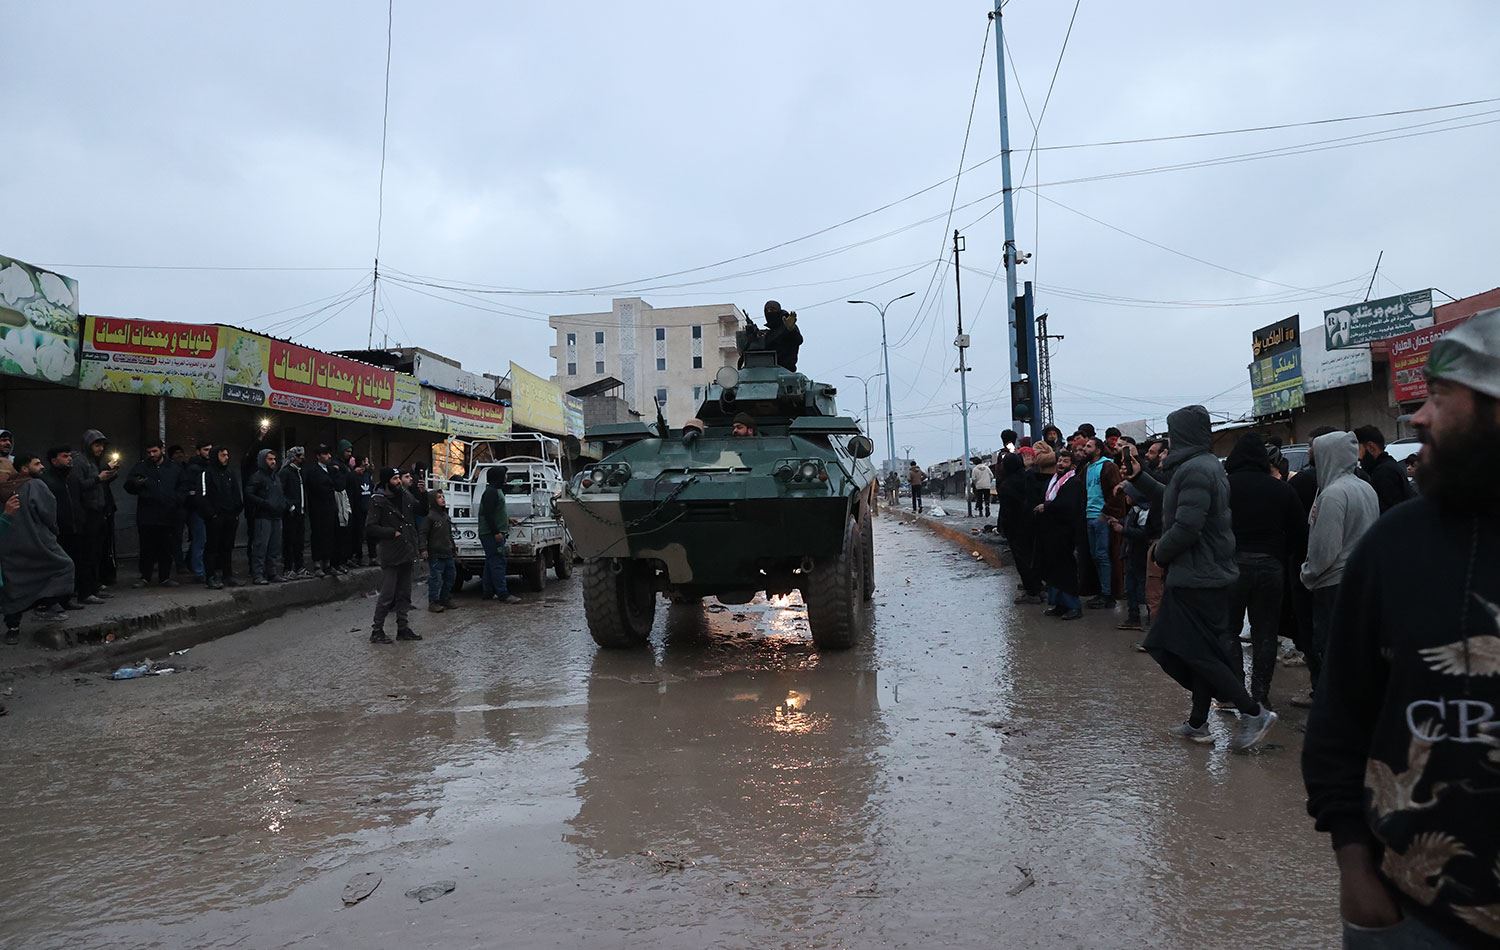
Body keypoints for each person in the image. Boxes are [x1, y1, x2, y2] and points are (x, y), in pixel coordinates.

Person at [1303, 309, 1500, 946]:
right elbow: (1339, 718)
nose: (1415, 419)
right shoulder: (1397, 545)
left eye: (1441, 397)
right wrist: (1355, 868)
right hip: (1414, 915)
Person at [1125, 406, 1276, 750]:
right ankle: (1198, 723)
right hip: (1206, 574)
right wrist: (1139, 477)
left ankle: (1254, 712)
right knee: (1199, 651)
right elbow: (1173, 502)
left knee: (1191, 650)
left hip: (1198, 577)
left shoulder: (1195, 469)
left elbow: (1186, 526)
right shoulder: (1200, 466)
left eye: (1173, 432)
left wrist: (1160, 553)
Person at [1222, 433, 1306, 708]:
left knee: (1229, 630)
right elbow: (1299, 532)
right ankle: (1260, 695)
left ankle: (1237, 694)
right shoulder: (1281, 489)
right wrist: (1281, 556)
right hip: (1271, 567)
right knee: (1266, 633)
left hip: (1233, 566)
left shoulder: (1225, 487)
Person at [1299, 431, 1380, 700]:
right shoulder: (1364, 487)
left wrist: (1307, 574)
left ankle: (1332, 705)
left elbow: (1325, 548)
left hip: (1332, 583)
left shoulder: (1333, 495)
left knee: (1330, 650)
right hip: (1360, 579)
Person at [1, 454, 79, 641]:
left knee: (14, 585)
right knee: (64, 566)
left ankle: (13, 628)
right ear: (23, 469)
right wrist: (53, 530)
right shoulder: (33, 485)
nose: (42, 467)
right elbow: (47, 512)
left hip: (9, 548)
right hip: (37, 543)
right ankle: (45, 605)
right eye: (37, 463)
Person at [363, 466, 422, 643]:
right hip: (391, 552)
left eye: (399, 478)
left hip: (407, 549)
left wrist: (422, 493)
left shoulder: (404, 495)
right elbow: (371, 527)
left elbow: (419, 509)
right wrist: (391, 532)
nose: (398, 482)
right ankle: (377, 630)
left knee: (405, 593)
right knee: (388, 594)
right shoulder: (378, 500)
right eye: (395, 479)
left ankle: (402, 628)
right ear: (387, 480)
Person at [123, 441, 183, 588]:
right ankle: (145, 576)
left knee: (166, 548)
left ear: (161, 450)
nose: (152, 455)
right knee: (146, 548)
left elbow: (183, 486)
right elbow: (128, 485)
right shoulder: (141, 467)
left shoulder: (174, 468)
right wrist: (136, 484)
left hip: (168, 514)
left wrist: (175, 500)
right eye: (149, 452)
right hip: (147, 515)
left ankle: (165, 577)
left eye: (155, 451)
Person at [1034, 446, 1084, 620]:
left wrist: (1047, 506)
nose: (1061, 464)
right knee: (1053, 569)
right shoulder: (1054, 480)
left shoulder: (1073, 482)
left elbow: (1068, 505)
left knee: (1065, 570)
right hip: (1051, 532)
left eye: (1065, 461)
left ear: (1072, 466)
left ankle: (1073, 606)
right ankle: (1059, 604)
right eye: (1060, 460)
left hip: (1065, 533)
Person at [69, 428, 118, 603]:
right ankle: (85, 592)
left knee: (97, 553)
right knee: (87, 555)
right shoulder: (79, 461)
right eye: (97, 445)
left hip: (98, 513)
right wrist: (99, 478)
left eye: (102, 445)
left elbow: (97, 485)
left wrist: (108, 475)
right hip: (87, 515)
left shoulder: (93, 461)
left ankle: (94, 586)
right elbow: (79, 487)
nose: (100, 449)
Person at [1081, 437, 1125, 609]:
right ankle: (1102, 591)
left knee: (1103, 555)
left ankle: (1108, 594)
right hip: (1089, 516)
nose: (1085, 449)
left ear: (1098, 449)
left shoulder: (1108, 466)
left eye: (1089, 446)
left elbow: (1116, 492)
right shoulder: (1087, 468)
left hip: (1101, 517)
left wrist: (1106, 513)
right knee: (1095, 555)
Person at [996, 452, 1042, 603]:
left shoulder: (1007, 484)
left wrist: (1003, 527)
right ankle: (1037, 587)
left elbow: (1006, 511)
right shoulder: (1030, 477)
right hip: (1033, 524)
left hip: (1016, 528)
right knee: (1034, 557)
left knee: (1022, 560)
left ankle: (1031, 592)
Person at [201, 446, 243, 589]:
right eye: (222, 455)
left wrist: (236, 512)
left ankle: (228, 575)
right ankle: (211, 576)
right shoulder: (207, 473)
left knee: (227, 547)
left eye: (227, 454)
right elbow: (203, 496)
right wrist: (212, 514)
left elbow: (236, 493)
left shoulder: (230, 473)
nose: (226, 457)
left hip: (230, 516)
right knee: (212, 547)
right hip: (215, 517)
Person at [477, 466, 521, 603]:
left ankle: (488, 592)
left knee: (491, 563)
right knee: (498, 563)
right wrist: (496, 532)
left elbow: (495, 511)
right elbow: (488, 514)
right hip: (491, 534)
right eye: (504, 475)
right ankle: (503, 594)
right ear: (498, 477)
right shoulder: (491, 492)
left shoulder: (496, 491)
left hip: (491, 533)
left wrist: (507, 520)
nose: (506, 478)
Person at [1110, 488, 1151, 631]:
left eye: (1128, 494)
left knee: (1142, 588)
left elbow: (1143, 533)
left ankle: (1147, 618)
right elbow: (1128, 522)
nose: (1126, 497)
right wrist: (1119, 521)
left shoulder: (1144, 512)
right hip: (1130, 555)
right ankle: (1133, 617)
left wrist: (1123, 530)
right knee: (1130, 588)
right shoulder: (1134, 510)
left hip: (1139, 556)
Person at [244, 448, 287, 585]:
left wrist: (282, 504)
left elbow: (280, 493)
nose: (273, 461)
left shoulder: (276, 476)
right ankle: (258, 574)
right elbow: (249, 494)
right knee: (261, 546)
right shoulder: (257, 476)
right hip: (263, 516)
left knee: (274, 546)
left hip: (276, 516)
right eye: (270, 459)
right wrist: (264, 503)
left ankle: (272, 572)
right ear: (263, 460)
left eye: (274, 459)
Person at [1353, 424, 1416, 514]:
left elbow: (1390, 512)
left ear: (1371, 447)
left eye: (1359, 449)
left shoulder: (1384, 472)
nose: (1358, 457)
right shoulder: (1388, 466)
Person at [421, 489, 459, 612]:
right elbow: (423, 533)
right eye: (439, 497)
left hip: (447, 551)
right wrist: (423, 549)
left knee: (450, 576)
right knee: (435, 578)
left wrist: (453, 547)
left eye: (443, 496)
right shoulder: (430, 517)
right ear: (433, 500)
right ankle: (433, 602)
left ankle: (445, 598)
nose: (442, 499)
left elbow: (448, 534)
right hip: (436, 553)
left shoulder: (445, 516)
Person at [304, 444, 338, 577]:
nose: (328, 456)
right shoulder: (313, 471)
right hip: (318, 509)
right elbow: (319, 487)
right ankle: (317, 563)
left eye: (329, 454)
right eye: (325, 454)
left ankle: (328, 562)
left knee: (330, 535)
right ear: (318, 456)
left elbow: (339, 484)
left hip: (330, 507)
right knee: (318, 535)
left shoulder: (331, 470)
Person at [182, 442, 213, 582]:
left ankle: (199, 568)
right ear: (198, 451)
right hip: (197, 510)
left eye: (210, 450)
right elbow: (192, 490)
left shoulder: (209, 467)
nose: (208, 452)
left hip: (206, 509)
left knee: (203, 540)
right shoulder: (194, 468)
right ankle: (199, 571)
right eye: (205, 450)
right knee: (200, 540)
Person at [340, 441, 371, 567]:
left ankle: (358, 556)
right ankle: (351, 557)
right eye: (347, 451)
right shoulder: (350, 472)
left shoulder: (366, 475)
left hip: (364, 508)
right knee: (353, 534)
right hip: (352, 508)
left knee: (361, 534)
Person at [279, 446, 308, 577]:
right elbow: (281, 492)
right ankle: (288, 568)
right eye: (298, 456)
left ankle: (299, 567)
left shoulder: (299, 472)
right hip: (290, 513)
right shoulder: (285, 472)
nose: (301, 458)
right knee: (289, 541)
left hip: (300, 512)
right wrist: (290, 506)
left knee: (299, 542)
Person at [760, 300, 803, 372]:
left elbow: (798, 340)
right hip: (768, 370)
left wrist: (791, 330)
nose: (769, 312)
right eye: (767, 310)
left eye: (772, 309)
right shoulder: (770, 332)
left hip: (786, 370)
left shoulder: (788, 324)